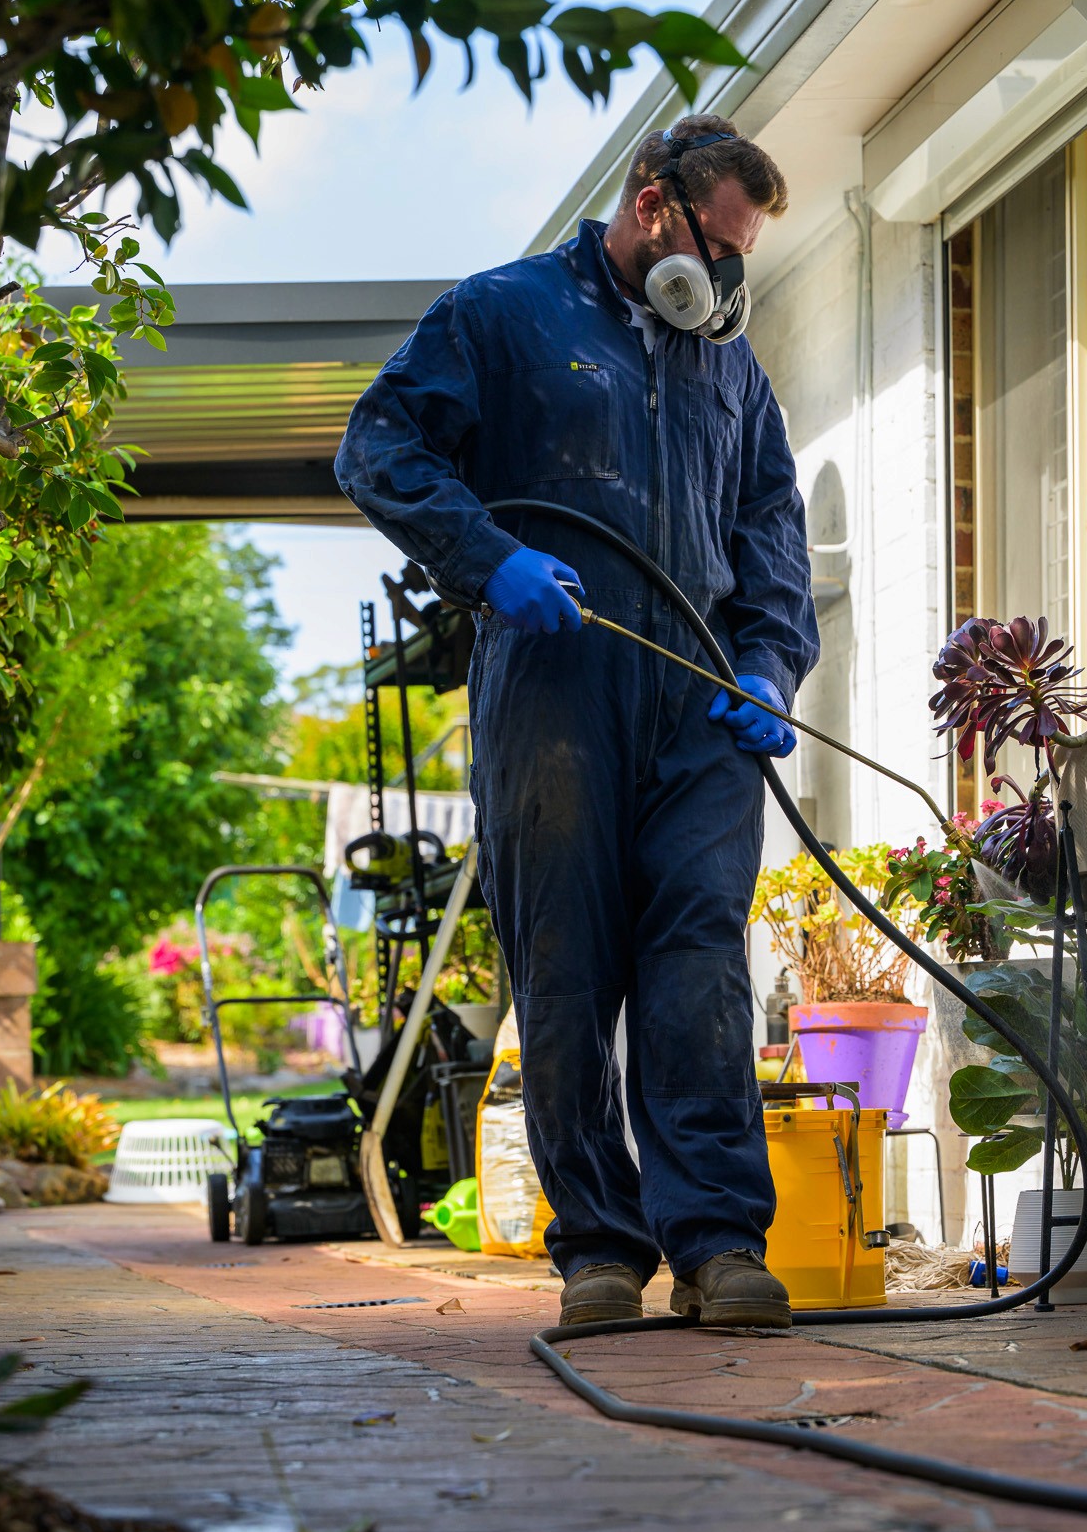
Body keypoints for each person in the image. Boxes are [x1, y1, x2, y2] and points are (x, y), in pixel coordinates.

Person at [335, 115, 818, 1329]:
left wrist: (767, 669)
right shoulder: (500, 317)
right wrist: (485, 556)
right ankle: (599, 1248)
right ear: (653, 210)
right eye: (718, 245)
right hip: (555, 688)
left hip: (703, 702)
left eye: (741, 256)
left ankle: (717, 1246)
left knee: (699, 963)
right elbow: (378, 447)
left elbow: (769, 529)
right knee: (564, 966)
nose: (726, 279)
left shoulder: (729, 369)